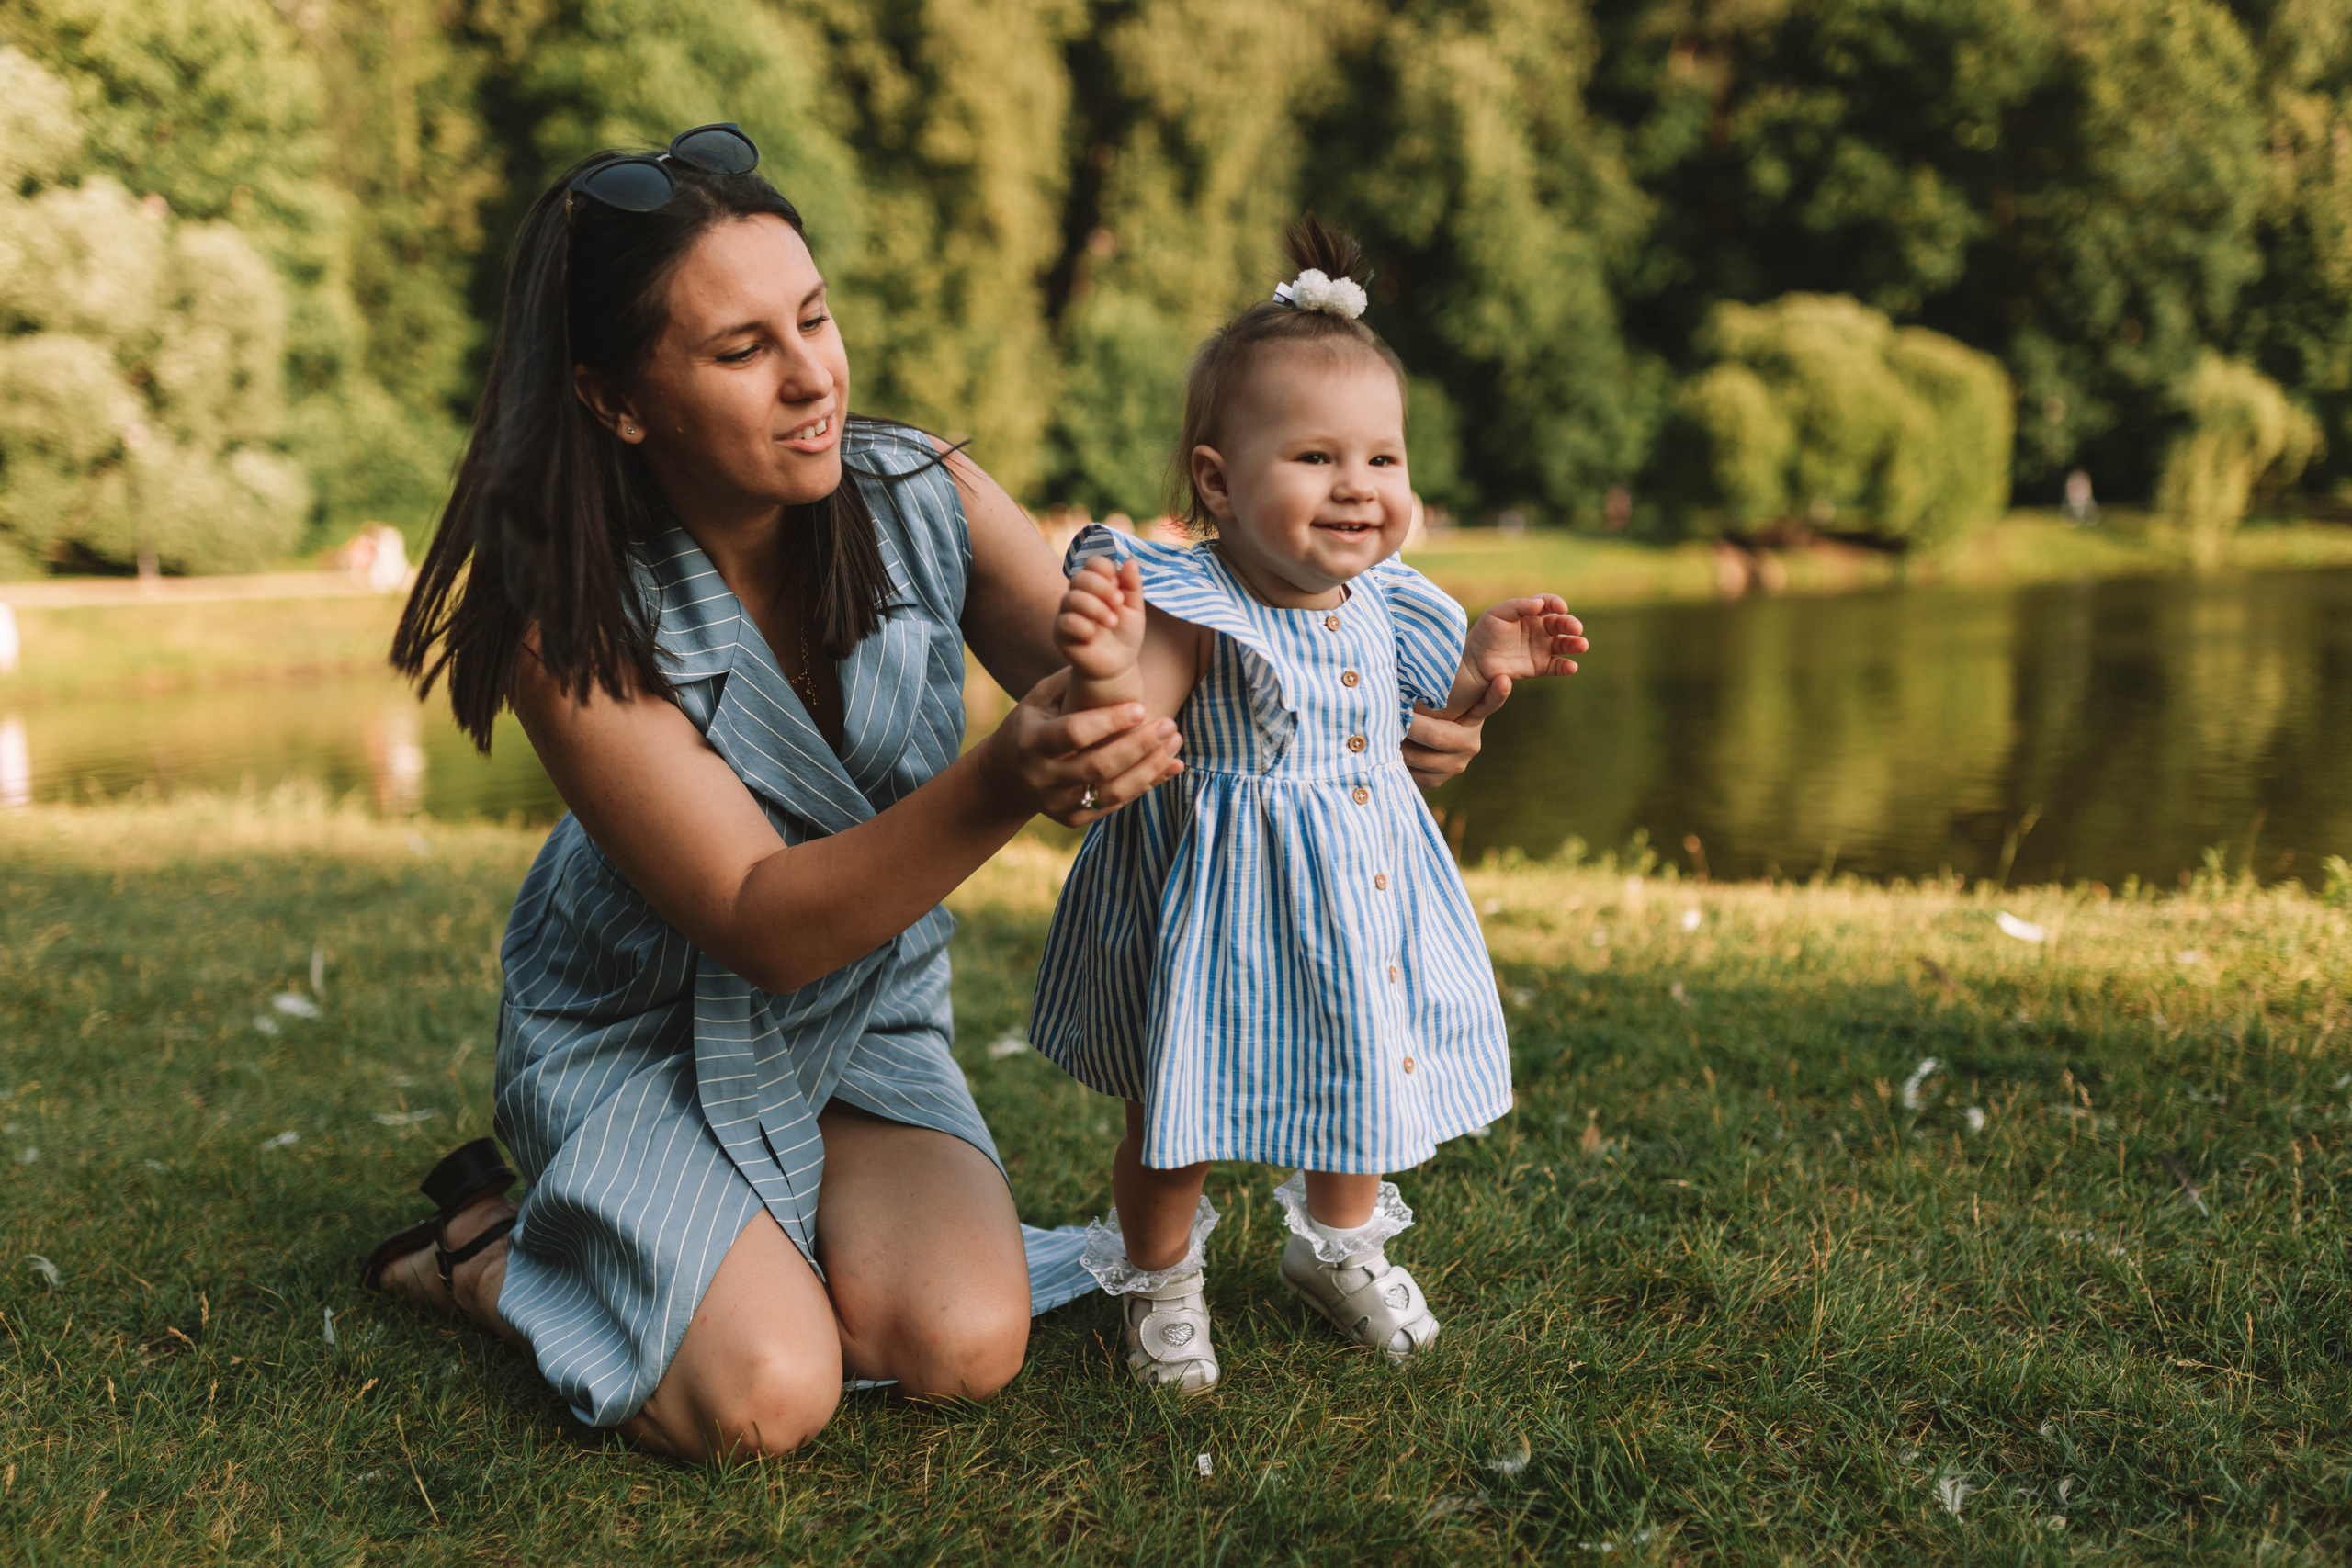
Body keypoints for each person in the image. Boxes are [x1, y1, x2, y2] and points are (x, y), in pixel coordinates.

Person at [360, 130, 1503, 1460]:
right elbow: (759, 918)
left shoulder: (921, 494)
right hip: (645, 1032)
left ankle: (744, 1246)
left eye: (815, 318)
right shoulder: (573, 618)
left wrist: (1365, 724)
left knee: (962, 1343)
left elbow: (1143, 697)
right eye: (743, 352)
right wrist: (1011, 771)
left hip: (861, 1022)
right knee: (761, 1399)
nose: (812, 378)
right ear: (617, 399)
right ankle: (489, 1254)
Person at [1027, 220, 1587, 1392]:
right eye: (1317, 459)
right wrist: (1104, 658)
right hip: (1214, 912)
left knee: (1357, 1077)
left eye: (1382, 461)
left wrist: (1485, 670)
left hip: (1355, 899)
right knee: (1172, 1112)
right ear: (1219, 483)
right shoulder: (1193, 601)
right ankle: (1161, 1277)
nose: (1358, 489)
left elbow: (1430, 716)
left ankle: (1335, 1245)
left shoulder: (1384, 597)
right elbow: (1139, 718)